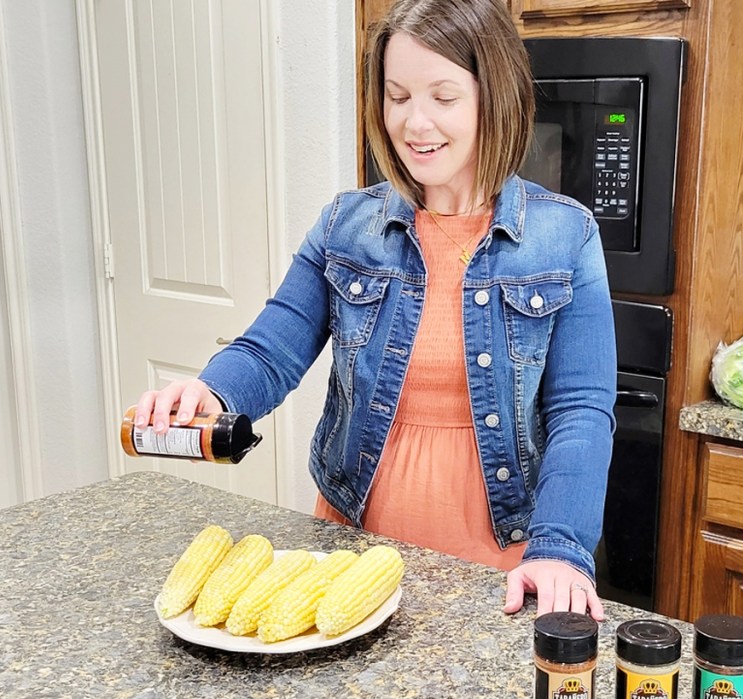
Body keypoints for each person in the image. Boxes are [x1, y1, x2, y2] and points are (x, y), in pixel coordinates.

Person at [132, 0, 616, 621]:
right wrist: (210, 394)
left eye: (444, 97)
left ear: (493, 98)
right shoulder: (345, 226)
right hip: (349, 558)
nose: (416, 123)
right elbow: (271, 351)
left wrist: (561, 548)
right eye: (397, 95)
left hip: (501, 572)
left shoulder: (565, 236)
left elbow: (582, 411)